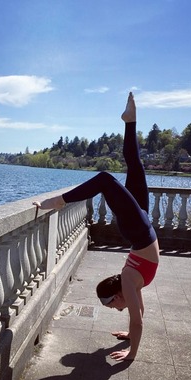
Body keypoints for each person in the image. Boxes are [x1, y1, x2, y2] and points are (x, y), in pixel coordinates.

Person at [34, 92, 159, 361]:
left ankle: (59, 201)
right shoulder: (130, 285)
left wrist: (130, 353)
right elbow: (139, 316)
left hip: (138, 228)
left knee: (105, 179)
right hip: (141, 227)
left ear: (116, 296)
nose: (117, 309)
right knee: (135, 166)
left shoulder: (128, 282)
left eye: (113, 307)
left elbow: (138, 321)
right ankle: (130, 121)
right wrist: (129, 335)